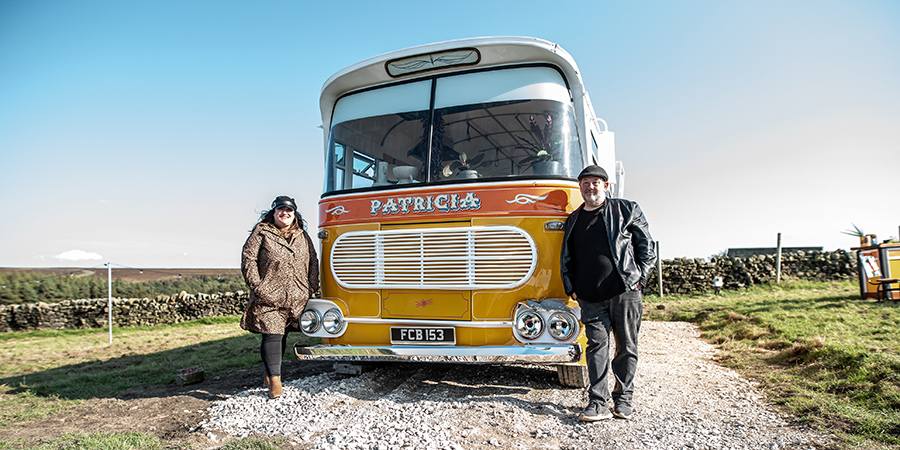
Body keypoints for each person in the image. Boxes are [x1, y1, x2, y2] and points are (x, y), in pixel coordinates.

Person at [560, 165, 655, 421]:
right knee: (596, 348)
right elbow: (567, 259)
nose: (590, 187)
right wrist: (572, 288)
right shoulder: (574, 219)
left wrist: (639, 280)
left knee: (626, 347)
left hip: (625, 292)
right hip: (590, 297)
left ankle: (623, 400)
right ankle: (598, 402)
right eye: (585, 183)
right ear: (580, 187)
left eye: (595, 182)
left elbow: (646, 247)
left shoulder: (627, 209)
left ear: (606, 185)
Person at [240, 195, 320, 399]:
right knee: (272, 334)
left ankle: (270, 371)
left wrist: (311, 286)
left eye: (289, 210)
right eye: (280, 210)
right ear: (273, 213)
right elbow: (248, 259)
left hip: (296, 296)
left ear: (295, 214)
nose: (285, 213)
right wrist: (258, 286)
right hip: (269, 295)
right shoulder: (262, 232)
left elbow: (313, 261)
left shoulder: (302, 236)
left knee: (281, 334)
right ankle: (275, 381)